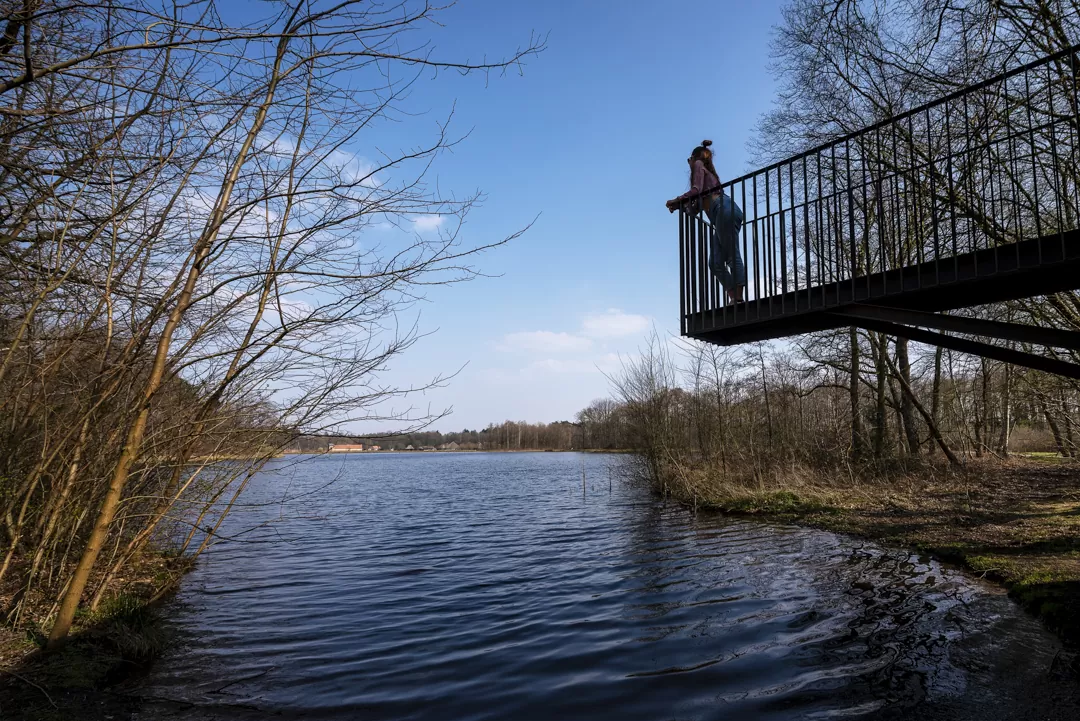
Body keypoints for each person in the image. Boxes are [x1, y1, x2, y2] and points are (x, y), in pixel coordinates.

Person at [666, 140, 746, 303]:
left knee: (731, 255)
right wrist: (679, 206)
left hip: (724, 209)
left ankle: (738, 297)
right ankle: (734, 296)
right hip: (722, 214)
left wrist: (676, 199)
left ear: (693, 158)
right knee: (715, 262)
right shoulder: (708, 177)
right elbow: (693, 209)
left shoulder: (698, 164)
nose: (689, 163)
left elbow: (695, 190)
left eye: (689, 159)